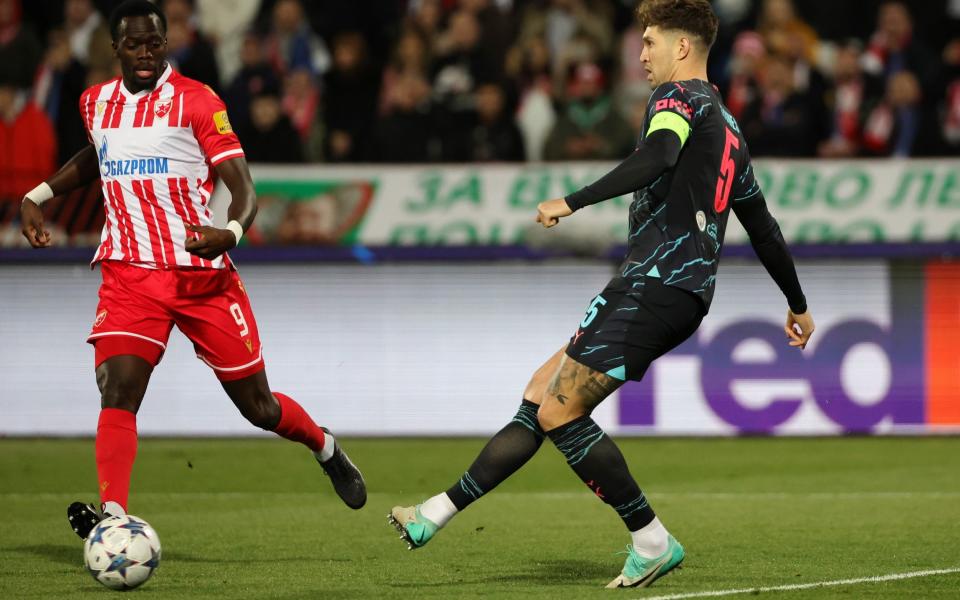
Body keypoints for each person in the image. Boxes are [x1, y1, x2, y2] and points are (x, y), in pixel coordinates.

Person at [389, 0, 814, 589]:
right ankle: (433, 515)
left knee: (562, 409)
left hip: (657, 283)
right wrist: (796, 302)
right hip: (676, 289)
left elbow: (659, 153)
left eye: (649, 42)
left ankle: (651, 538)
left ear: (682, 48)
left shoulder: (676, 99)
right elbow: (762, 226)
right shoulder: (729, 126)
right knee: (543, 394)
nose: (640, 54)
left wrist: (574, 199)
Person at [18, 0, 366, 541]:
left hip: (199, 274)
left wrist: (229, 232)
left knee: (260, 407)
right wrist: (38, 194)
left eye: (155, 42)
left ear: (167, 43)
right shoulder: (95, 102)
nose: (145, 53)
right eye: (134, 44)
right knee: (118, 388)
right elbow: (97, 156)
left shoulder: (197, 101)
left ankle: (324, 446)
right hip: (130, 272)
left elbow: (243, 186)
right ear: (115, 48)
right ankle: (113, 519)